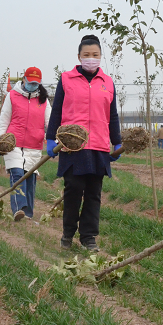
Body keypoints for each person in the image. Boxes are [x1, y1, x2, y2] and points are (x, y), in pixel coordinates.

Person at [47, 34, 122, 251]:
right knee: (74, 189)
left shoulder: (107, 82)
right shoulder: (66, 79)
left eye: (95, 55)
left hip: (98, 145)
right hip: (73, 145)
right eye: (87, 55)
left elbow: (113, 115)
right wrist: (50, 138)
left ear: (100, 56)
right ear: (79, 56)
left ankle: (89, 237)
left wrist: (116, 142)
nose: (91, 58)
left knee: (93, 193)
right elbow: (58, 110)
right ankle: (68, 233)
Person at [0, 67, 51, 221]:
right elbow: (4, 120)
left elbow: (50, 123)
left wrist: (54, 140)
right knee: (17, 175)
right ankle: (19, 210)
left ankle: (28, 215)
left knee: (30, 179)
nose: (33, 85)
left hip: (34, 145)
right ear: (24, 79)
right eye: (30, 82)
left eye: (36, 83)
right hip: (13, 144)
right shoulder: (12, 96)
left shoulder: (43, 100)